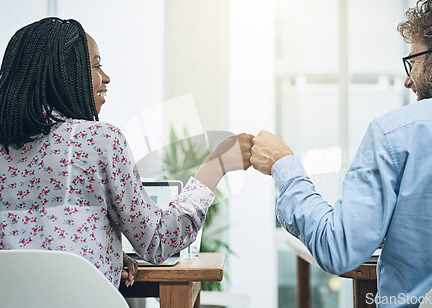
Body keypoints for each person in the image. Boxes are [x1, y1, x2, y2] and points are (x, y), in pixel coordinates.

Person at [251, 0, 432, 306]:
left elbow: (339, 249)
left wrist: (283, 166)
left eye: (415, 62)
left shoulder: (395, 132)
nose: (409, 79)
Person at [0, 17, 253, 289]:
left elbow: (28, 244)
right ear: (66, 74)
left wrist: (104, 252)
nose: (105, 77)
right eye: (96, 65)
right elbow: (157, 241)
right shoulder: (99, 141)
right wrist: (215, 166)